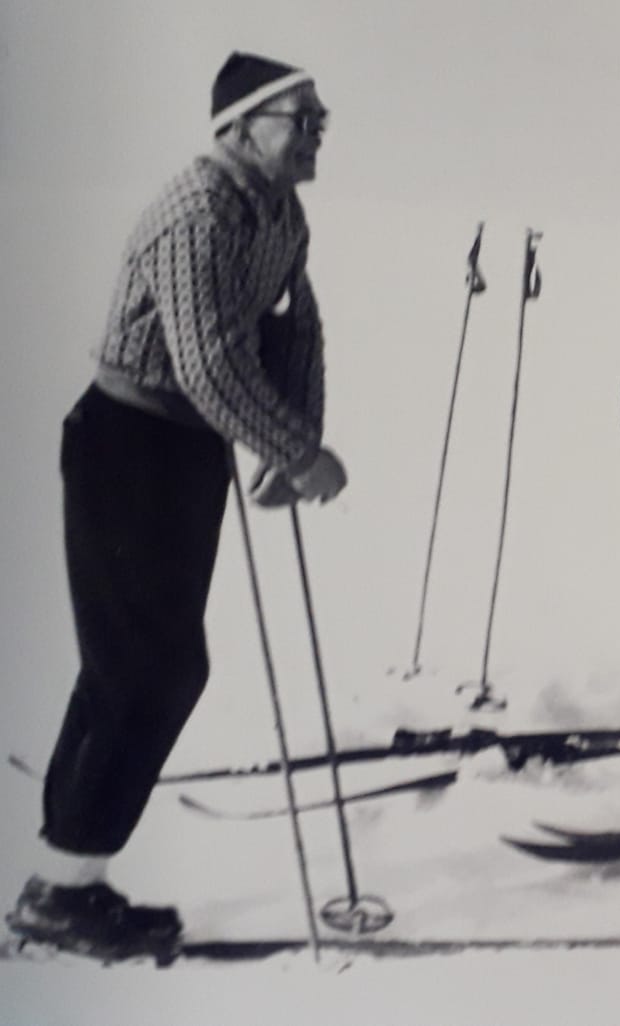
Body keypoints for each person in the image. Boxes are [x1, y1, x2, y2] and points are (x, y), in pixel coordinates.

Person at [6, 52, 346, 961]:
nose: (319, 129)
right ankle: (62, 890)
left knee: (138, 668)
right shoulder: (197, 210)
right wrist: (298, 451)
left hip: (190, 449)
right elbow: (206, 361)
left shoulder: (277, 210)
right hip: (126, 441)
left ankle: (64, 881)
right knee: (145, 670)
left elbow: (295, 328)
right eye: (299, 117)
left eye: (320, 116)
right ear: (238, 128)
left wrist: (293, 435)